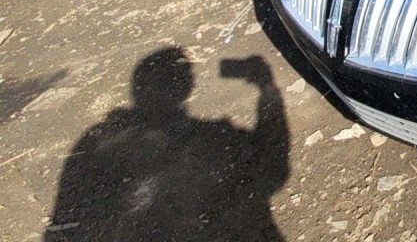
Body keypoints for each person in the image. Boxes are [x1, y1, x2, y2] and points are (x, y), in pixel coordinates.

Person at [46, 47, 289, 240]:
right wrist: (267, 90)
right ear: (187, 87)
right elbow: (274, 166)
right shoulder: (213, 139)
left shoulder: (96, 141)